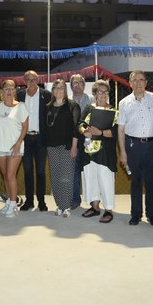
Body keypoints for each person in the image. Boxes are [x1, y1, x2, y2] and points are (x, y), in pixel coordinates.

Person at [117, 70, 153, 226]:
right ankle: (136, 214)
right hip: (132, 146)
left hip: (152, 146)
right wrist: (123, 152)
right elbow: (121, 129)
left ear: (146, 82)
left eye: (141, 80)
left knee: (152, 182)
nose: (138, 83)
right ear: (130, 83)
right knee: (135, 181)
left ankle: (152, 214)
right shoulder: (124, 103)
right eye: (134, 80)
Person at [78, 79, 118, 223]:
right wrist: (85, 131)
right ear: (95, 94)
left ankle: (108, 209)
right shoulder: (89, 108)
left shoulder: (114, 111)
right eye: (100, 92)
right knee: (90, 178)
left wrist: (99, 132)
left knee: (105, 179)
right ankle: (94, 207)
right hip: (89, 150)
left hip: (105, 151)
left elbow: (115, 131)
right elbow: (80, 124)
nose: (103, 94)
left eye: (106, 92)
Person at [0, 80, 29, 217]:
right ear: (2, 91)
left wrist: (18, 143)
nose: (9, 91)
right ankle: (9, 201)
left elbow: (25, 127)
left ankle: (13, 205)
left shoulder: (21, 106)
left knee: (10, 175)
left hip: (15, 147)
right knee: (6, 176)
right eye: (6, 89)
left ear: (15, 91)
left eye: (11, 88)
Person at [45, 79, 81, 216]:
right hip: (51, 146)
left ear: (65, 90)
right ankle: (59, 205)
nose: (58, 90)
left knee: (66, 177)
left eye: (61, 88)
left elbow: (77, 128)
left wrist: (74, 146)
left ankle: (66, 206)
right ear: (52, 90)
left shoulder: (72, 106)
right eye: (56, 87)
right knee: (55, 177)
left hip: (67, 146)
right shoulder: (48, 107)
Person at [17, 70, 51, 211]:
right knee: (27, 170)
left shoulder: (46, 95)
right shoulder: (19, 95)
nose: (31, 82)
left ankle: (41, 201)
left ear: (38, 80)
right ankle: (29, 201)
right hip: (25, 138)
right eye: (28, 79)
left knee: (41, 171)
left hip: (41, 138)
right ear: (24, 81)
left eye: (34, 79)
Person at [69, 73, 94, 210]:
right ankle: (75, 199)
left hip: (89, 139)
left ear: (84, 85)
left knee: (90, 170)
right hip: (73, 140)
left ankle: (93, 200)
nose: (77, 85)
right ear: (71, 86)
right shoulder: (67, 101)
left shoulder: (91, 100)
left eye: (80, 83)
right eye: (74, 83)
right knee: (74, 170)